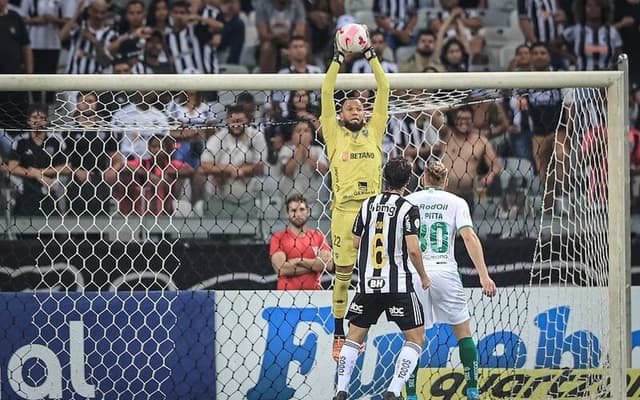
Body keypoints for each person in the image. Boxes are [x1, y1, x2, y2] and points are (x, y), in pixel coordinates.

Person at [332, 158, 431, 400]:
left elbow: (355, 242)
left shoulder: (367, 205)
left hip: (368, 284)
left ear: (384, 178)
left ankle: (341, 390)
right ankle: (393, 391)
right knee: (416, 338)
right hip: (397, 284)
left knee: (354, 337)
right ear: (408, 182)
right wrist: (423, 276)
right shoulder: (408, 208)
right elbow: (414, 249)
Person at [321, 25, 390, 361]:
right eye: (350, 108)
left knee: (377, 274)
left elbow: (385, 87)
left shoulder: (374, 132)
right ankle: (338, 332)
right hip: (345, 212)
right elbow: (325, 90)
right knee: (343, 275)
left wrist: (370, 55)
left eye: (359, 108)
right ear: (340, 115)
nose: (356, 111)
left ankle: (362, 331)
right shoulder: (335, 137)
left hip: (374, 212)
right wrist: (338, 58)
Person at [404, 160, 497, 400]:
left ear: (423, 180)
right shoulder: (457, 202)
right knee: (463, 334)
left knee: (414, 338)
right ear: (446, 182)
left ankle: (412, 394)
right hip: (446, 272)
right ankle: (473, 390)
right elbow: (469, 237)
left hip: (415, 273)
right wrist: (484, 276)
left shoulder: (410, 201)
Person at [269, 193, 333, 290]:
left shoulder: (318, 236)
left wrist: (299, 261)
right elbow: (281, 269)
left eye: (302, 209)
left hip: (314, 296)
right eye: (293, 210)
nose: (298, 214)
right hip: (286, 297)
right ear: (288, 214)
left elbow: (328, 265)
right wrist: (314, 265)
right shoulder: (278, 237)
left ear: (308, 212)